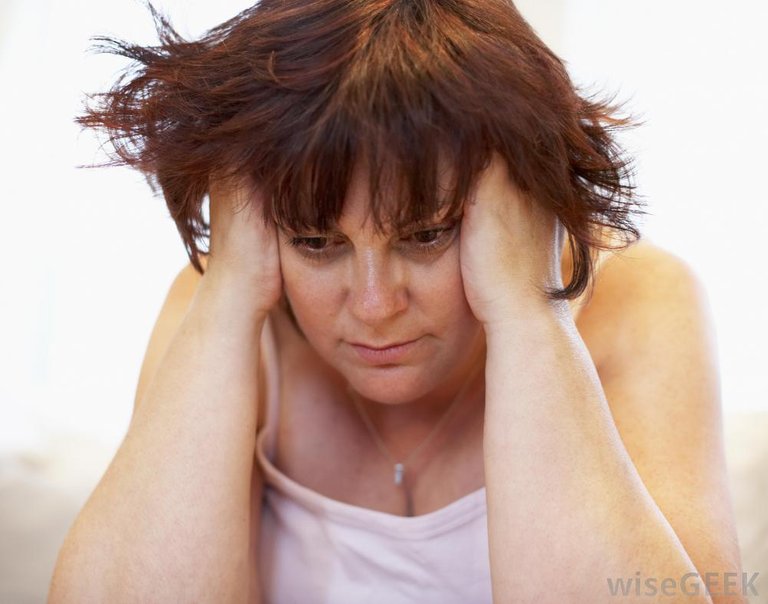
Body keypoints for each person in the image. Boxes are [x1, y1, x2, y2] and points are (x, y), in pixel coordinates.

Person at [50, 1, 745, 602]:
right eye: (319, 243)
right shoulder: (228, 305)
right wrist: (230, 290)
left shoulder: (641, 299)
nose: (376, 305)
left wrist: (530, 311)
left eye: (426, 235)